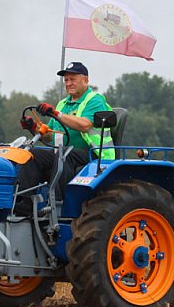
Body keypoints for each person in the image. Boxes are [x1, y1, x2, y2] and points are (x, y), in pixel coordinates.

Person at [16, 62, 114, 213]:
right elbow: (49, 136)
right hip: (63, 152)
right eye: (66, 80)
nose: (68, 83)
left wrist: (57, 114)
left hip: (93, 154)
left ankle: (57, 204)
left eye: (72, 79)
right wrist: (33, 127)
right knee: (31, 154)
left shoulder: (94, 100)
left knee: (65, 154)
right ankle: (24, 203)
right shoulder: (63, 103)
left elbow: (85, 125)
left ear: (85, 80)